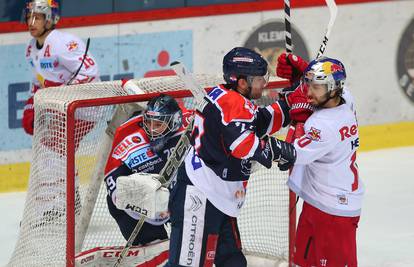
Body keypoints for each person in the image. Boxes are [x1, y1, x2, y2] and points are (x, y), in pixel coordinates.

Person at [165, 47, 298, 267]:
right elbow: (244, 145)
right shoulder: (232, 103)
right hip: (199, 197)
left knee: (233, 262)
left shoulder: (230, 97)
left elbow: (260, 122)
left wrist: (290, 102)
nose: (263, 83)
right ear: (242, 81)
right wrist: (276, 149)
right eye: (258, 79)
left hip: (217, 193)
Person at [277, 53, 364, 267]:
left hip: (333, 212)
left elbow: (290, 155)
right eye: (308, 84)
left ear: (333, 88)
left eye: (315, 87)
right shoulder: (346, 100)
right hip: (318, 202)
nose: (308, 91)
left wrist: (297, 122)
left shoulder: (322, 125)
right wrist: (304, 73)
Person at [104, 94, 192, 245]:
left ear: (175, 121)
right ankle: (151, 242)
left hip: (187, 199)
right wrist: (142, 202)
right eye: (149, 123)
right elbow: (113, 182)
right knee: (114, 203)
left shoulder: (192, 127)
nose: (152, 130)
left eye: (158, 125)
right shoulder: (130, 141)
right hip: (149, 205)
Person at [22, 0, 100, 136]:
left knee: (53, 150)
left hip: (84, 108)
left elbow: (90, 73)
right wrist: (31, 107)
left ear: (50, 19)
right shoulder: (30, 48)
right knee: (49, 147)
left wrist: (61, 92)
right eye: (29, 17)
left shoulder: (63, 43)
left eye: (37, 18)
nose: (31, 22)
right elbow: (39, 82)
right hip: (63, 108)